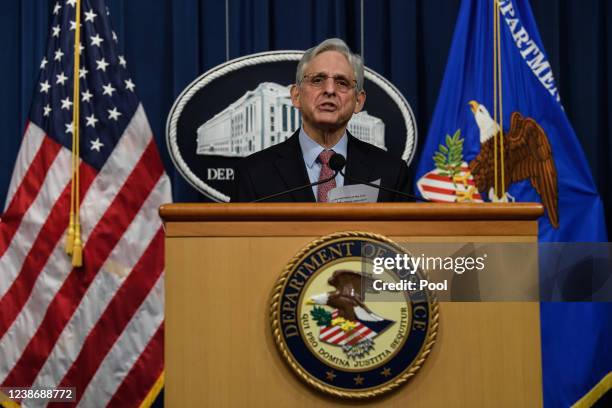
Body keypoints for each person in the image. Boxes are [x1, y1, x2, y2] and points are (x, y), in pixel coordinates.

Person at [231, 38, 411, 202]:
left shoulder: (391, 174)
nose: (330, 90)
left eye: (342, 82)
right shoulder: (253, 174)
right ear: (296, 96)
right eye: (317, 80)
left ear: (358, 101)